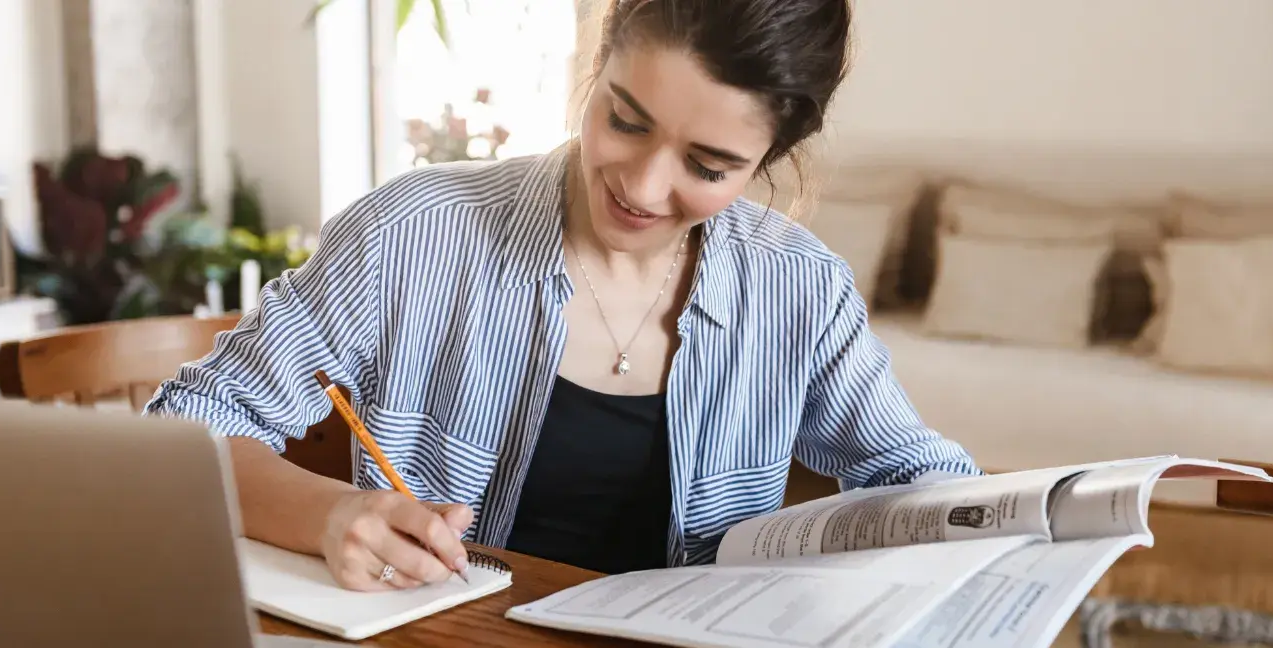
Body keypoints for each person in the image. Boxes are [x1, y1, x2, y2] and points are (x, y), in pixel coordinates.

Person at [143, 0, 980, 592]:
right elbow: (182, 433)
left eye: (707, 166)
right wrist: (332, 514)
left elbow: (918, 478)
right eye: (626, 120)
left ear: (768, 161)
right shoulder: (413, 234)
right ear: (599, 56)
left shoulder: (799, 288)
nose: (642, 188)